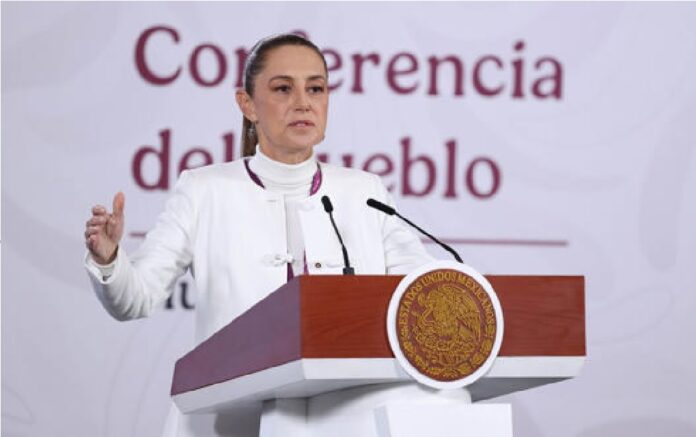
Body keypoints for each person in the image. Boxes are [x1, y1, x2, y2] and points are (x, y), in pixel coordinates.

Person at [84, 34, 434, 437]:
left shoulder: (364, 192)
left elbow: (425, 292)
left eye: (315, 89)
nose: (303, 103)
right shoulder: (204, 190)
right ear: (247, 104)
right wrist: (109, 259)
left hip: (342, 420)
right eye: (283, 88)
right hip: (228, 419)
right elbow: (136, 298)